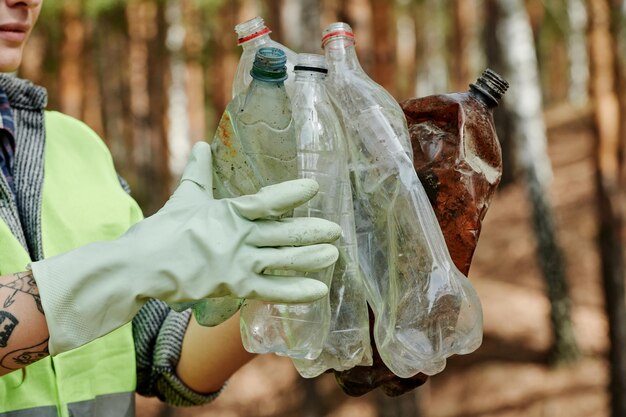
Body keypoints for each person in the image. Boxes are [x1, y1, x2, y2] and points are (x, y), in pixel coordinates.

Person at [0, 0, 342, 415]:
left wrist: (270, 273)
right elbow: (134, 272)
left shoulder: (77, 144)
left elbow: (163, 352)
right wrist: (131, 268)